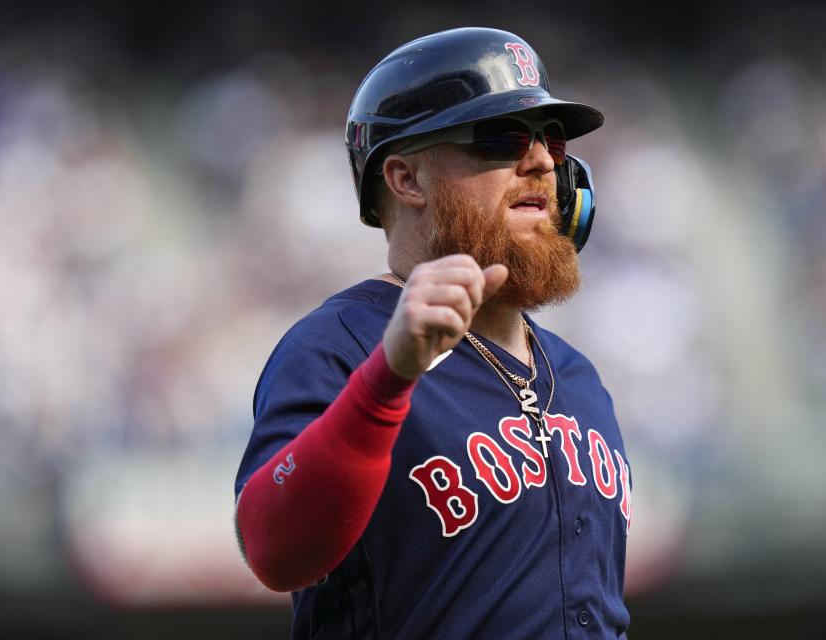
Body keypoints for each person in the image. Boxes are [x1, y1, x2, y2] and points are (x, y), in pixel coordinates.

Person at [234, 27, 633, 639]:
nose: (542, 161)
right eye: (501, 136)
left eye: (551, 140)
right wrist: (386, 380)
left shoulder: (578, 378)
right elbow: (271, 548)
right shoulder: (342, 345)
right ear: (406, 180)